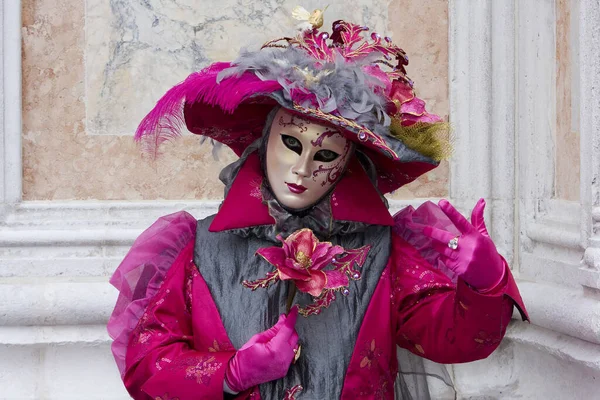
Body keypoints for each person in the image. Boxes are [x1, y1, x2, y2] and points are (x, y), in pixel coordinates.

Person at [108, 10, 528, 400]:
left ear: (347, 165)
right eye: (291, 144)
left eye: (326, 155)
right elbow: (148, 364)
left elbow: (451, 336)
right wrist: (232, 372)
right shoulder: (197, 248)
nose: (303, 168)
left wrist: (484, 286)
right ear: (264, 138)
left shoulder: (383, 253)